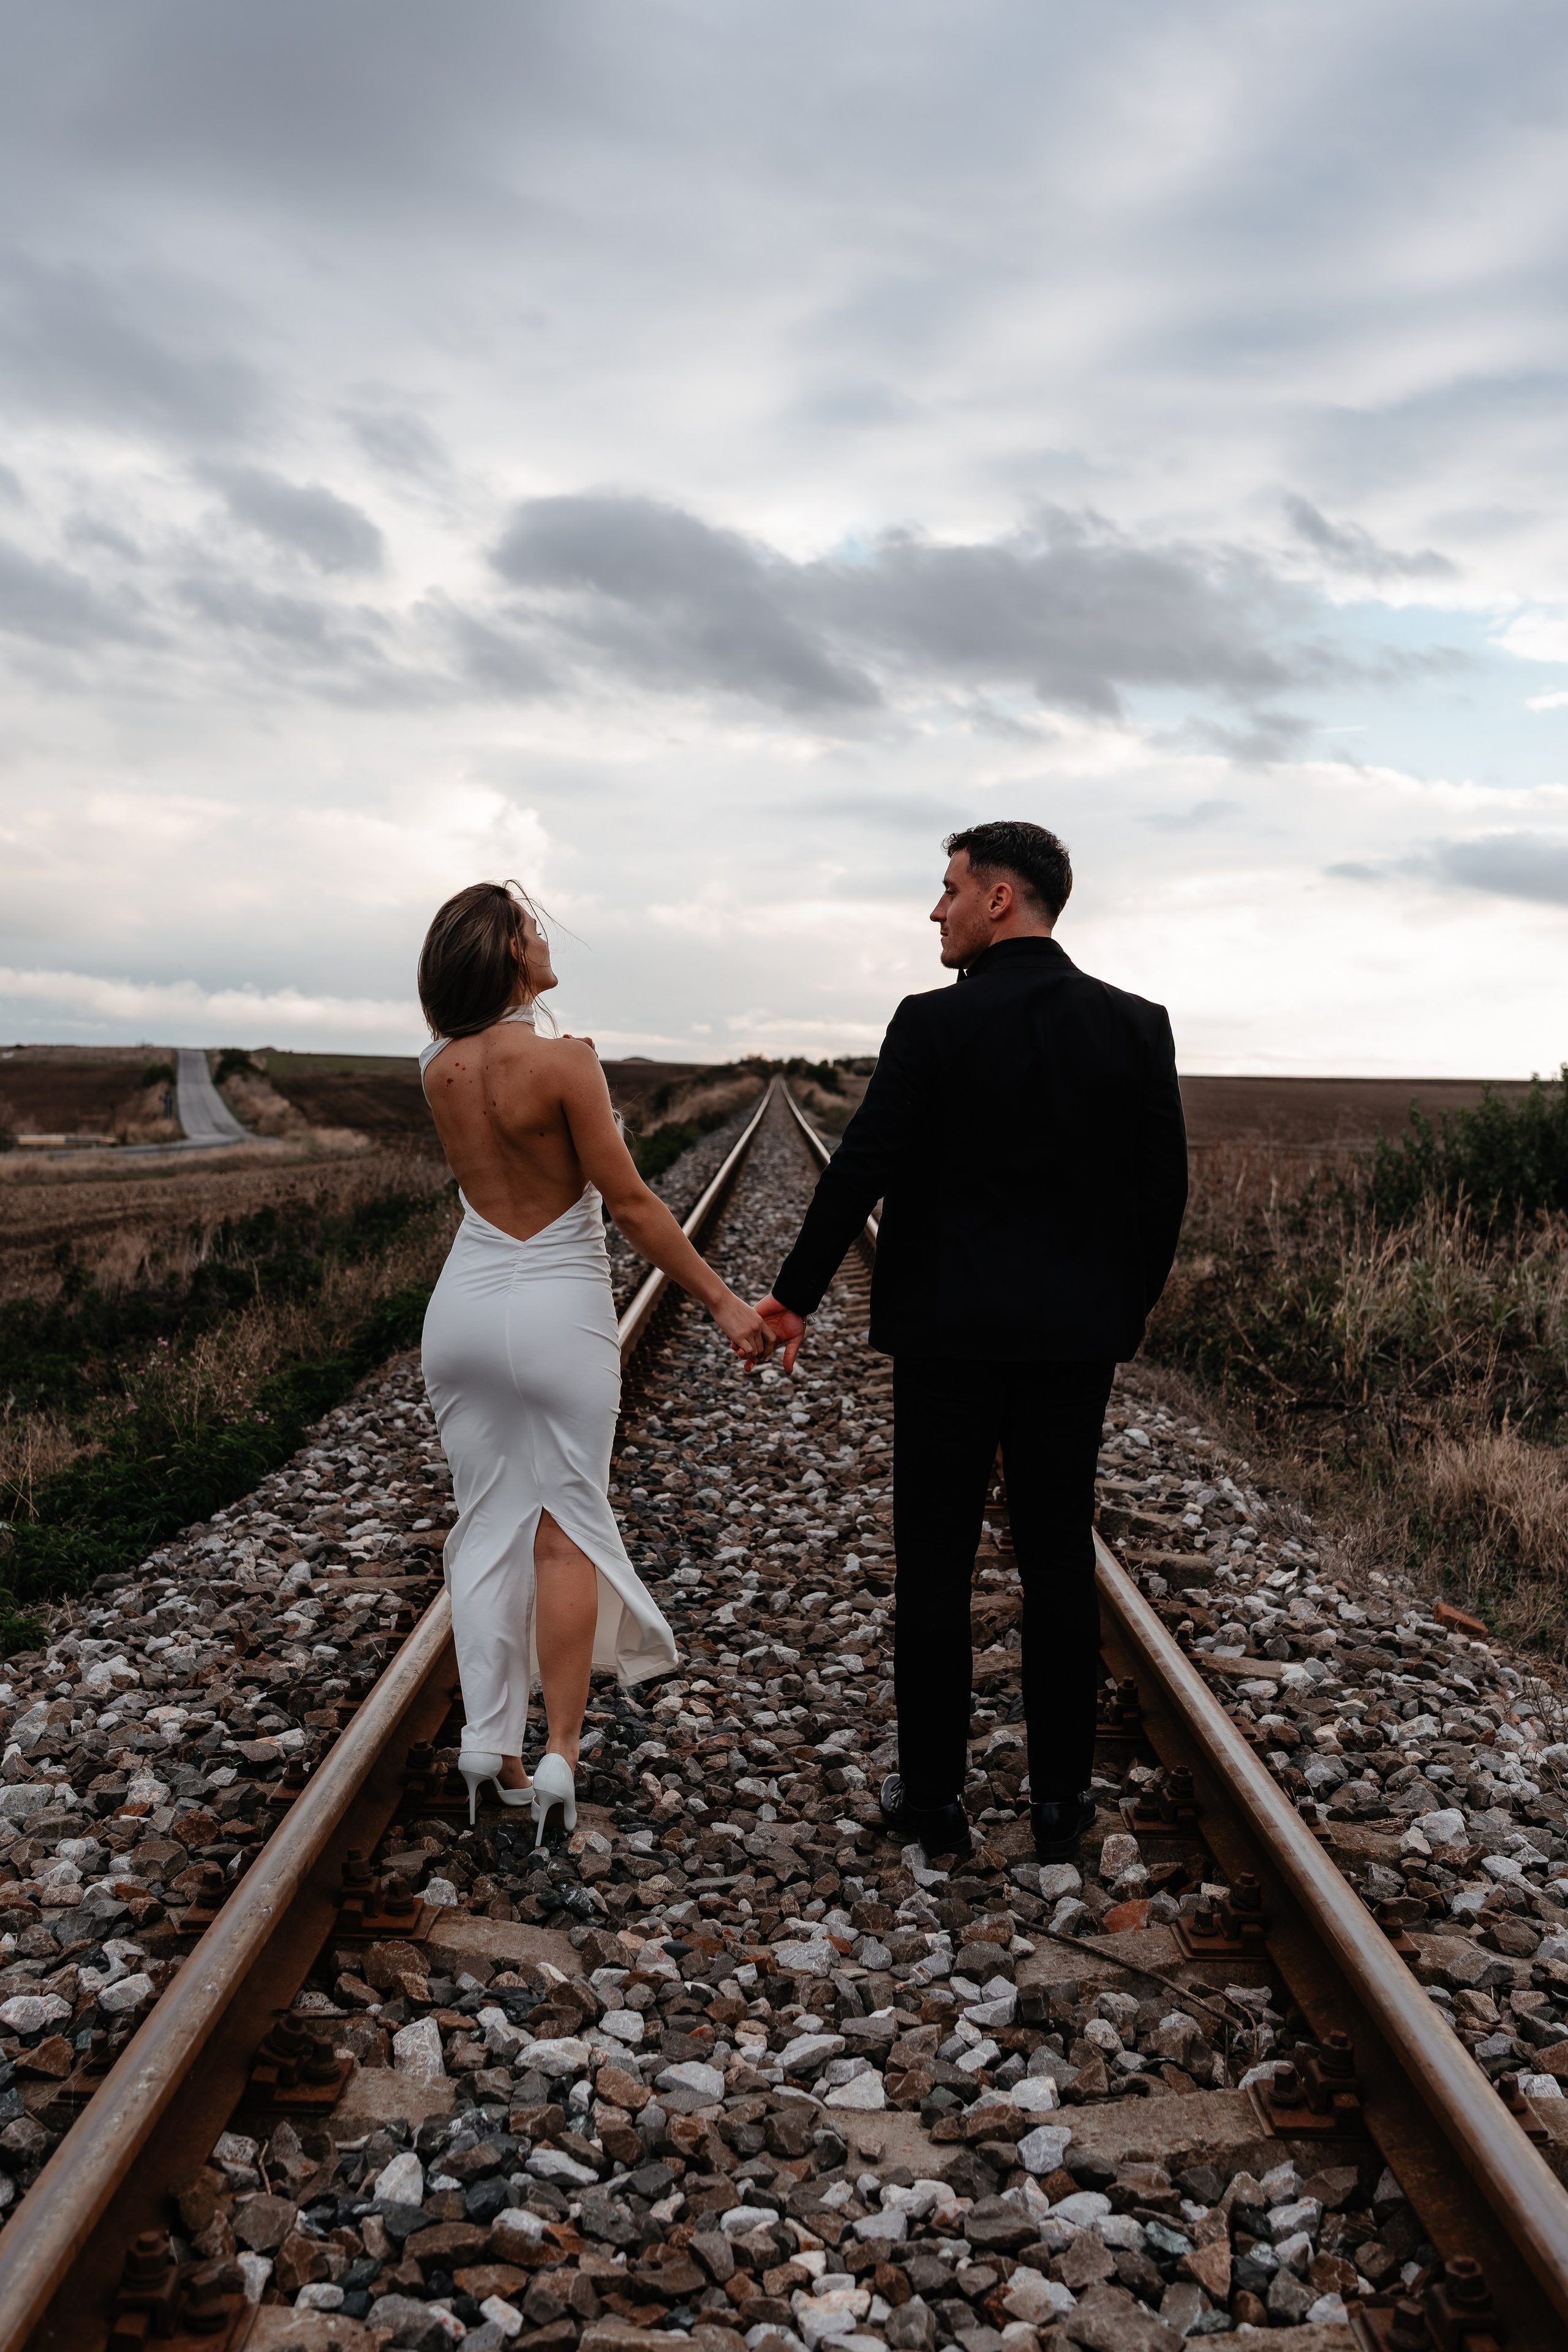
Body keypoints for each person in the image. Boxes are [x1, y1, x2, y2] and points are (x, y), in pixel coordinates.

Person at [756, 821, 1187, 1863]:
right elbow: (1162, 1193)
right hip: (1072, 1343)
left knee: (936, 1562)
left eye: (949, 889)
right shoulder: (1135, 1026)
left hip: (946, 1337)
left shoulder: (933, 1022)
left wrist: (794, 1296)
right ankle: (1060, 1806)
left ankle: (935, 1802)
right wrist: (1120, 1313)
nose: (936, 909)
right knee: (1059, 1557)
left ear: (1000, 899)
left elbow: (862, 1165)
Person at [417, 880, 772, 1840]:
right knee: (564, 1530)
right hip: (556, 1310)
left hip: (462, 1313)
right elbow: (633, 1205)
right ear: (508, 952)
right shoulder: (568, 1062)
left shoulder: (437, 1067)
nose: (545, 938)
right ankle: (560, 1754)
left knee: (485, 1530)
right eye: (533, 928)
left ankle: (488, 1748)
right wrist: (724, 1302)